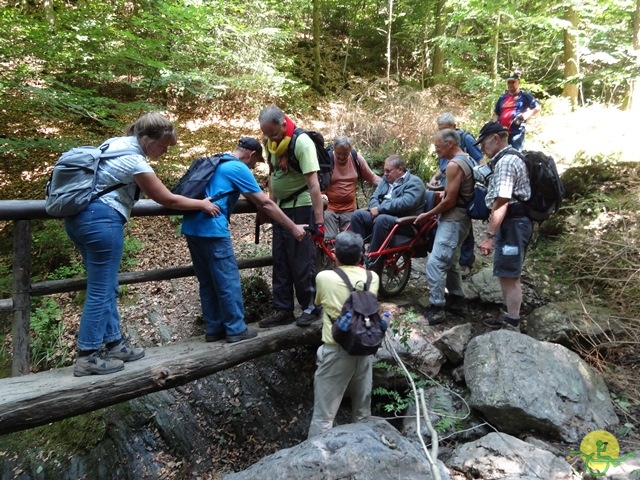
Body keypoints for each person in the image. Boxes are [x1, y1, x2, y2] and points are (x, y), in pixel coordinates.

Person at [65, 112, 220, 377]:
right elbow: (166, 199)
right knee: (101, 289)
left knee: (106, 284)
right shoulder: (133, 159)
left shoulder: (113, 145)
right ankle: (87, 355)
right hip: (102, 220)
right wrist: (202, 204)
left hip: (79, 219)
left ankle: (114, 343)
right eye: (163, 145)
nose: (164, 151)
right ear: (147, 139)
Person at [181, 138, 307, 343]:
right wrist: (292, 227)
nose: (253, 167)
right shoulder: (238, 168)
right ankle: (236, 329)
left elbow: (245, 194)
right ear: (250, 154)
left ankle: (213, 329)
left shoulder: (219, 162)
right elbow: (265, 203)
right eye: (255, 163)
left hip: (191, 227)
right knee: (227, 279)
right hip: (213, 229)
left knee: (207, 281)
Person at [257, 105, 326, 328]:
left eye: (273, 133)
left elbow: (314, 184)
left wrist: (319, 220)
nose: (270, 138)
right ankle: (283, 308)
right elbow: (273, 175)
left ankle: (310, 307)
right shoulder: (271, 143)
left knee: (301, 261)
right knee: (281, 260)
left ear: (283, 124)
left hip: (302, 205)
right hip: (282, 209)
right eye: (266, 134)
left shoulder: (302, 143)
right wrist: (270, 206)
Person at [307, 231, 380, 438]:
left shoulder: (324, 277)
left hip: (335, 351)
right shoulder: (372, 277)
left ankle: (314, 461)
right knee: (363, 414)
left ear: (335, 254)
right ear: (360, 256)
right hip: (364, 350)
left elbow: (318, 303)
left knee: (323, 417)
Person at [475, 121, 532, 331]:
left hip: (514, 224)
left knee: (510, 275)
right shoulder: (510, 158)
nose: (482, 148)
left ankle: (512, 324)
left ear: (496, 139)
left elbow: (502, 200)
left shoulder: (506, 162)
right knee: (505, 272)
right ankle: (509, 316)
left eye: (483, 143)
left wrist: (490, 235)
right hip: (512, 223)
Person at [415, 129, 474, 325]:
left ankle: (437, 307)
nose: (436, 150)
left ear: (450, 144)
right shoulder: (467, 159)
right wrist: (438, 188)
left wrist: (427, 214)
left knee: (436, 262)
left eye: (438, 146)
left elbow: (450, 201)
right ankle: (457, 300)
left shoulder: (454, 165)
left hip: (454, 219)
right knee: (452, 261)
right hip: (462, 219)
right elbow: (456, 190)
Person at [428, 112, 483, 278]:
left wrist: (473, 183)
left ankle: (466, 262)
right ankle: (452, 261)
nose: (441, 132)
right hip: (448, 184)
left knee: (462, 225)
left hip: (461, 192)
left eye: (444, 129)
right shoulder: (444, 145)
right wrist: (436, 177)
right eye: (439, 129)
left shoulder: (466, 139)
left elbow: (479, 161)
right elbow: (444, 165)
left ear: (454, 127)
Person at [348, 155, 426, 260]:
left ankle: (372, 260)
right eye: (384, 171)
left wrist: (380, 210)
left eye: (388, 171)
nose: (385, 174)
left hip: (406, 223)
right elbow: (374, 197)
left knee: (382, 219)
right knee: (357, 215)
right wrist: (376, 210)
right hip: (385, 218)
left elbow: (404, 203)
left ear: (400, 169)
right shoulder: (385, 180)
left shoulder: (414, 182)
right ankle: (356, 257)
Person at [323, 136, 381, 240]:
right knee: (329, 239)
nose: (341, 156)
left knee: (350, 240)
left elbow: (372, 178)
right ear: (334, 150)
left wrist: (391, 185)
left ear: (350, 150)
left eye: (345, 154)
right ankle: (330, 256)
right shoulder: (327, 160)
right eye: (338, 153)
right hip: (330, 208)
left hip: (349, 209)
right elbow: (318, 185)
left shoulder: (356, 159)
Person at [492, 72, 541, 152]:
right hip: (502, 133)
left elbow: (537, 107)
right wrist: (494, 125)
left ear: (518, 82)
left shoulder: (524, 96)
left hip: (516, 132)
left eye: (513, 82)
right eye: (509, 82)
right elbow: (496, 113)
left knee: (516, 154)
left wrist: (524, 116)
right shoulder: (502, 98)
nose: (511, 84)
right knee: (502, 155)